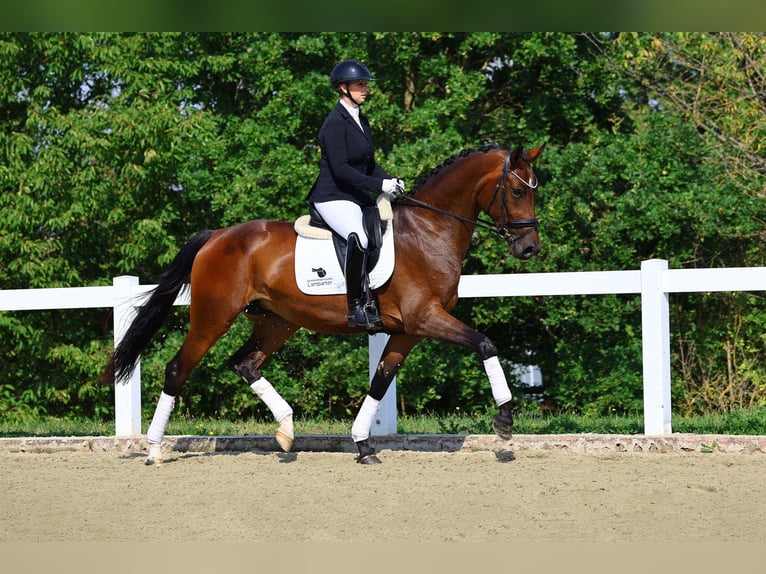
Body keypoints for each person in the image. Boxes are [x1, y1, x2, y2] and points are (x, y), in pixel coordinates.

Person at [307, 59, 405, 330]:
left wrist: (389, 180)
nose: (365, 89)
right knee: (360, 237)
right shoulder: (333, 124)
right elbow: (340, 170)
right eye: (360, 84)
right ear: (343, 87)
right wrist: (378, 186)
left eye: (365, 84)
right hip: (333, 196)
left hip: (355, 196)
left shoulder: (360, 119)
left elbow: (369, 163)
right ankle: (356, 306)